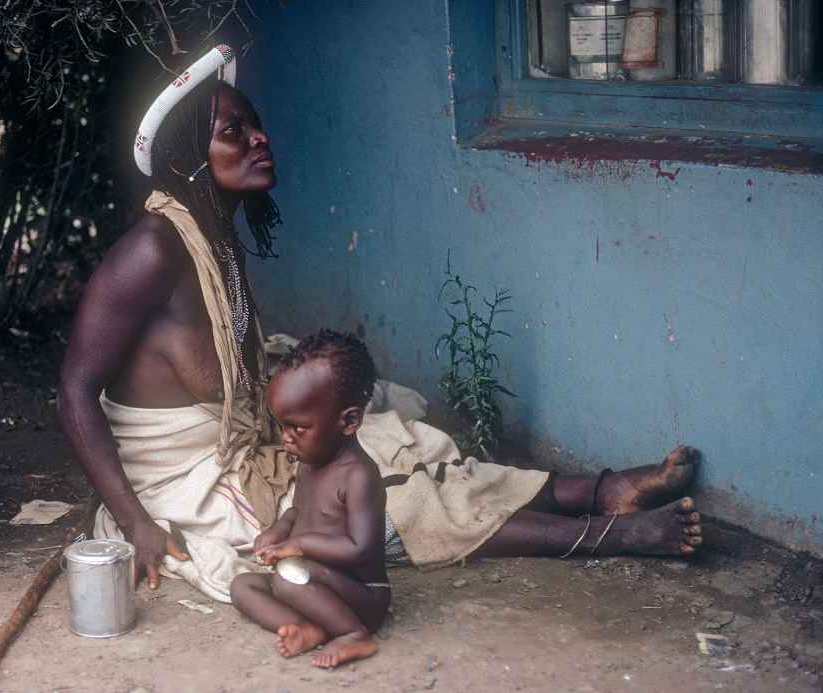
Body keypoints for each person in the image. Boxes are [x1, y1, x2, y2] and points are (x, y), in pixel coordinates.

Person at [57, 46, 703, 604]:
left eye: (256, 124)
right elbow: (75, 390)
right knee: (390, 506)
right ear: (189, 161)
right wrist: (135, 521)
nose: (259, 138)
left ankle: (599, 489)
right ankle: (609, 534)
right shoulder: (153, 249)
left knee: (400, 440)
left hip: (238, 452)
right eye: (234, 131)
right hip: (189, 486)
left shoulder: (214, 238)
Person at [231, 330, 390, 669]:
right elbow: (298, 510)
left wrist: (298, 546)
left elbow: (360, 548)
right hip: (312, 582)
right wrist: (276, 531)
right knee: (243, 586)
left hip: (361, 595)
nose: (285, 439)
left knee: (289, 576)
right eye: (281, 426)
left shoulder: (359, 475)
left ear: (348, 421)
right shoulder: (310, 463)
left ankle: (354, 635)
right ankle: (312, 626)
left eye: (297, 428)